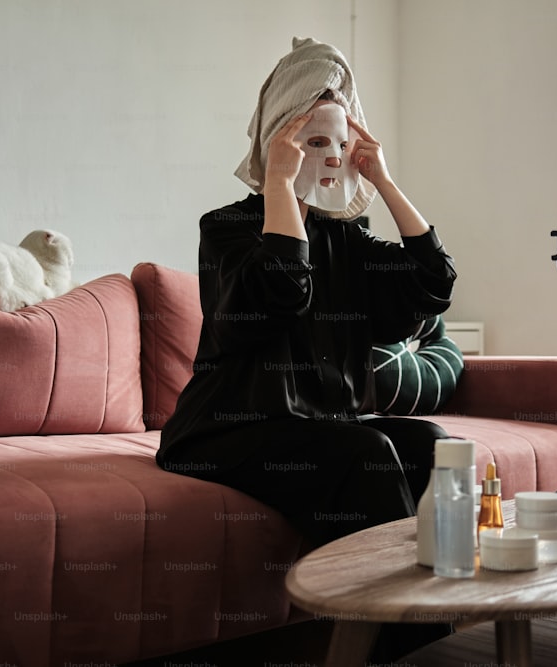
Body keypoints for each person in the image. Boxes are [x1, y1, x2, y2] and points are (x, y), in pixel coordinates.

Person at [157, 36, 456, 548]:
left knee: (432, 444)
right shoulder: (227, 228)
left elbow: (433, 283)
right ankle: (392, 620)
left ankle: (434, 607)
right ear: (280, 143)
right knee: (363, 452)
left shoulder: (346, 237)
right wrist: (277, 185)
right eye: (315, 143)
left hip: (320, 424)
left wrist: (382, 181)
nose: (333, 158)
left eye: (340, 145)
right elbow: (282, 291)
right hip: (224, 432)